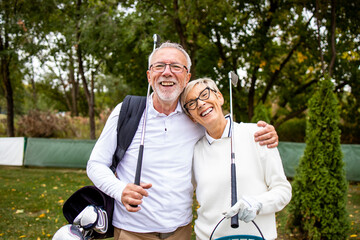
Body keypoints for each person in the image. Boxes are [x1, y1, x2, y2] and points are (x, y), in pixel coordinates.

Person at [87, 42, 279, 240]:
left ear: (187, 77)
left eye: (176, 67)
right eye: (159, 66)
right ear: (149, 76)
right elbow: (95, 164)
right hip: (132, 230)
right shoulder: (126, 111)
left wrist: (260, 132)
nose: (167, 72)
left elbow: (223, 130)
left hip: (180, 230)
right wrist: (120, 190)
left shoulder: (195, 116)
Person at [180, 77, 292, 240]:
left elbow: (283, 190)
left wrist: (258, 203)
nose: (200, 103)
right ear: (191, 117)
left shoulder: (258, 135)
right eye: (191, 103)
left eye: (205, 94)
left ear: (220, 97)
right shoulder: (194, 152)